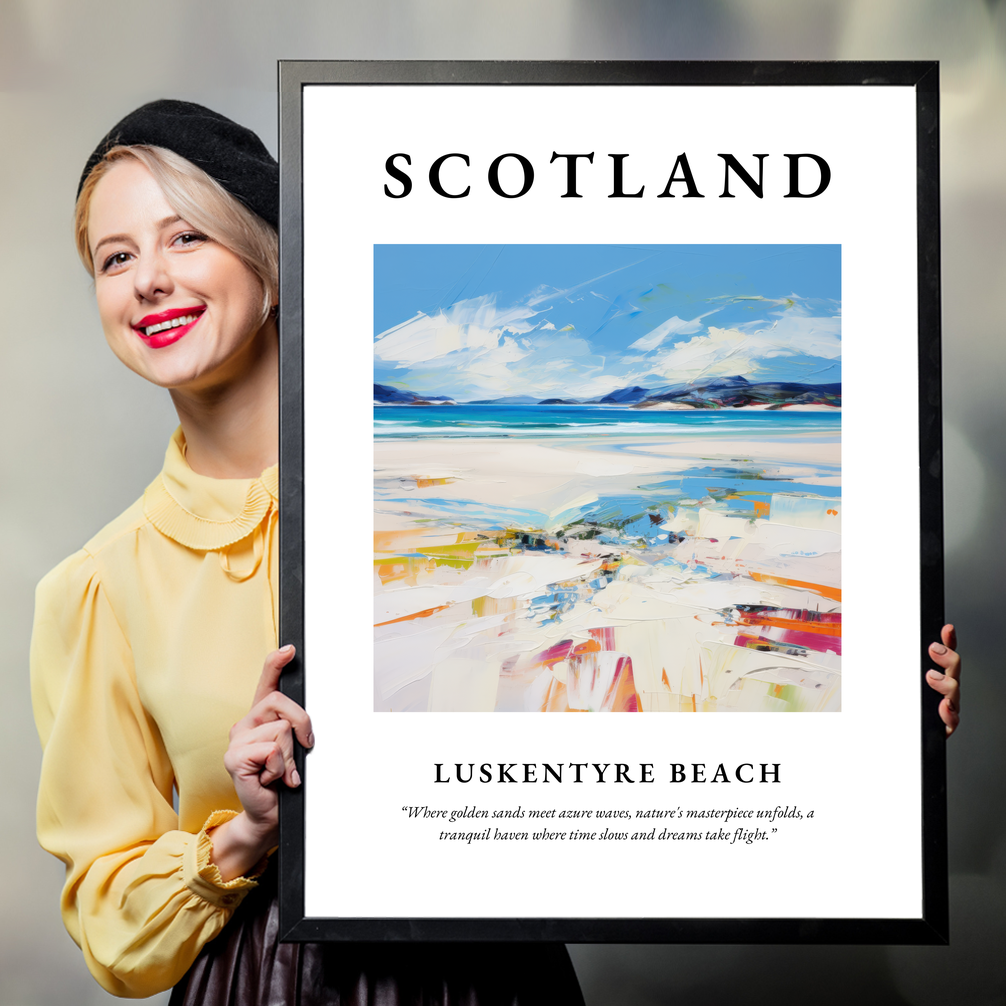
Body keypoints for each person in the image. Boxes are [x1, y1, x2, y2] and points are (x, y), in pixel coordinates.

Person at [30, 100, 586, 1004]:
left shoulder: (459, 497)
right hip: (261, 982)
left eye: (185, 238)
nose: (148, 281)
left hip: (492, 973)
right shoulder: (98, 587)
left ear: (273, 263)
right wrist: (245, 832)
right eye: (116, 257)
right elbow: (110, 923)